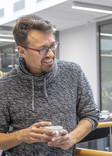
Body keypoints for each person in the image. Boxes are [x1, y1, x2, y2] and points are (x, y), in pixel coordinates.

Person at [0, 14, 99, 156]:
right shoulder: (5, 86)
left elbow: (91, 114)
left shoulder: (72, 72)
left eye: (52, 45)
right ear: (22, 51)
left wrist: (71, 139)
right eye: (42, 49)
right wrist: (21, 136)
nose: (50, 54)